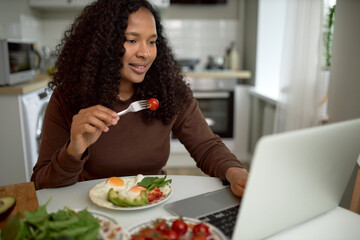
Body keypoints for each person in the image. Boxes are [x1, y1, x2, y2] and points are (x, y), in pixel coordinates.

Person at [31, 0, 248, 197]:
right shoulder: (67, 98)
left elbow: (206, 146)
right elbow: (41, 184)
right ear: (103, 45)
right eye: (132, 40)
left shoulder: (170, 91)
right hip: (90, 209)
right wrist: (73, 151)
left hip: (152, 201)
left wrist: (234, 172)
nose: (145, 53)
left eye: (152, 42)